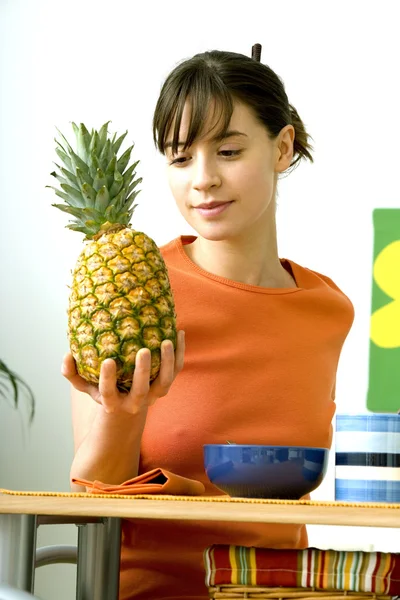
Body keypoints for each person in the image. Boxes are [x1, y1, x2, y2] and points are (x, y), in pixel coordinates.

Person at [63, 47, 355, 600]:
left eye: (227, 150)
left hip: (279, 591)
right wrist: (124, 416)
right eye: (179, 158)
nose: (203, 180)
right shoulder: (127, 293)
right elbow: (88, 497)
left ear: (282, 147)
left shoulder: (328, 309)